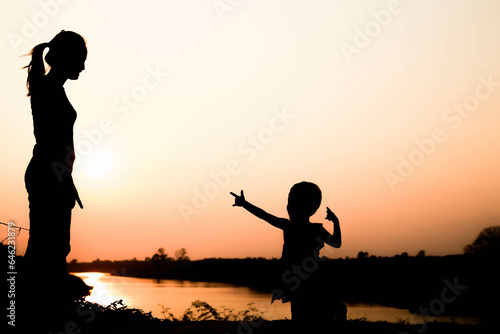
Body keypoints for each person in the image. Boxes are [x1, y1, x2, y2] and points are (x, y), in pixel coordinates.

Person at [20, 30, 90, 332]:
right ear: (66, 59)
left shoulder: (52, 89)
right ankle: (39, 315)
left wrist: (68, 179)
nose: (84, 68)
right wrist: (62, 177)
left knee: (52, 244)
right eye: (81, 61)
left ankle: (43, 313)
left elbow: (59, 146)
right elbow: (49, 144)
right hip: (49, 174)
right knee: (49, 246)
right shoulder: (48, 89)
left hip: (54, 174)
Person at [231, 181, 346, 327]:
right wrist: (335, 222)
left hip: (300, 276)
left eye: (291, 203)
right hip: (305, 275)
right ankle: (333, 314)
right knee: (305, 313)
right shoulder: (315, 229)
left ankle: (335, 313)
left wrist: (245, 204)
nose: (288, 207)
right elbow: (336, 243)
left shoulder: (290, 226)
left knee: (302, 315)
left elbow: (264, 216)